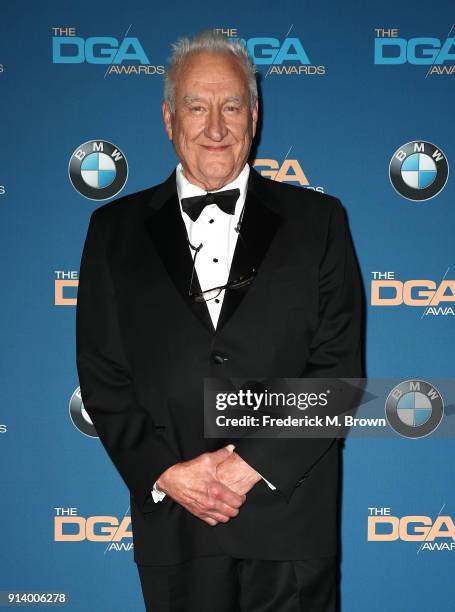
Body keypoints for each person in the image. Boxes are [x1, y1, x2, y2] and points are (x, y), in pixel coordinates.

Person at [76, 29, 363, 612]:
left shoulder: (320, 221)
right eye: (196, 106)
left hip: (291, 523)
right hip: (177, 526)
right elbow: (104, 379)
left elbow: (338, 372)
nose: (214, 126)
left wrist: (248, 465)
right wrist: (165, 474)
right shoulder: (113, 232)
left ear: (253, 117)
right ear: (168, 117)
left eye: (231, 106)